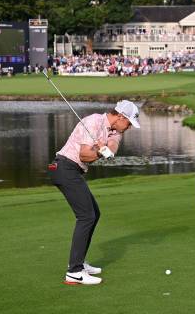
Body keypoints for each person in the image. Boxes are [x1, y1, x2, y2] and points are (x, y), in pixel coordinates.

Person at [49, 100, 140, 285]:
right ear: (121, 117)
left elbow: (113, 147)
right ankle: (74, 272)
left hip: (72, 170)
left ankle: (79, 263)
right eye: (129, 123)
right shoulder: (93, 122)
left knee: (94, 214)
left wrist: (106, 149)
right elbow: (84, 155)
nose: (129, 127)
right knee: (86, 216)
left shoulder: (115, 130)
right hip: (64, 168)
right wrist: (99, 153)